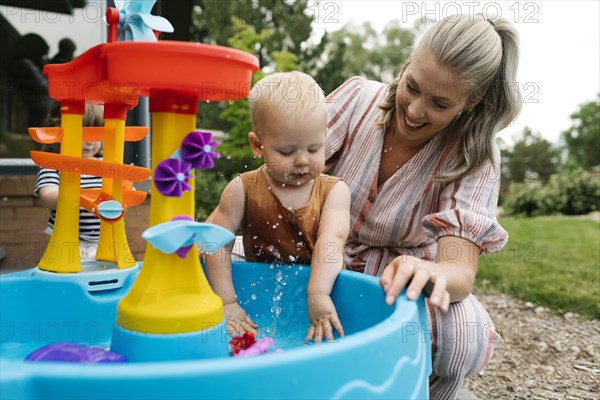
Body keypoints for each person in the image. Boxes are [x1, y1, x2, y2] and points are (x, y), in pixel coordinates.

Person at [325, 14, 521, 399]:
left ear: (471, 102)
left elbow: (459, 274)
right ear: (406, 64)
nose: (415, 111)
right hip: (321, 251)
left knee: (463, 336)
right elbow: (288, 169)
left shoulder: (474, 155)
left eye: (439, 103)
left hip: (399, 277)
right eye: (412, 86)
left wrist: (429, 270)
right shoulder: (356, 98)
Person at [205, 71, 351, 343]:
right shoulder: (242, 189)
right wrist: (226, 302)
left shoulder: (334, 191)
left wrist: (318, 293)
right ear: (257, 145)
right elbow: (216, 243)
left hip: (324, 289)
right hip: (259, 294)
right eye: (286, 151)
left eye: (314, 148)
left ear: (325, 136)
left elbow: (331, 241)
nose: (302, 161)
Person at [34, 102, 105, 261]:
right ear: (59, 132)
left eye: (96, 133)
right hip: (70, 241)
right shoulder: (53, 164)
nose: (90, 142)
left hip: (106, 240)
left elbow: (123, 191)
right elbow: (48, 197)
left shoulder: (105, 165)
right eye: (82, 133)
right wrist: (81, 196)